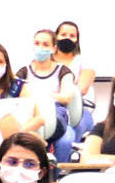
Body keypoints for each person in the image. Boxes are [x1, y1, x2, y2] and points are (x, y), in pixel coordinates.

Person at [16, 28, 80, 161]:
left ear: (54, 48)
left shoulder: (63, 70)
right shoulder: (23, 71)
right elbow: (15, 98)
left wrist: (41, 96)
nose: (40, 48)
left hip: (56, 116)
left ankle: (55, 177)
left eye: (45, 45)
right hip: (30, 116)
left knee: (65, 141)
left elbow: (66, 97)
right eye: (37, 43)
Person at [55, 21, 97, 139]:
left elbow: (81, 90)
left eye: (72, 36)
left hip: (79, 111)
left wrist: (58, 96)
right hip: (50, 109)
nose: (67, 38)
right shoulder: (46, 62)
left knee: (71, 132)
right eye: (63, 35)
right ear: (56, 37)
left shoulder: (84, 61)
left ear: (77, 40)